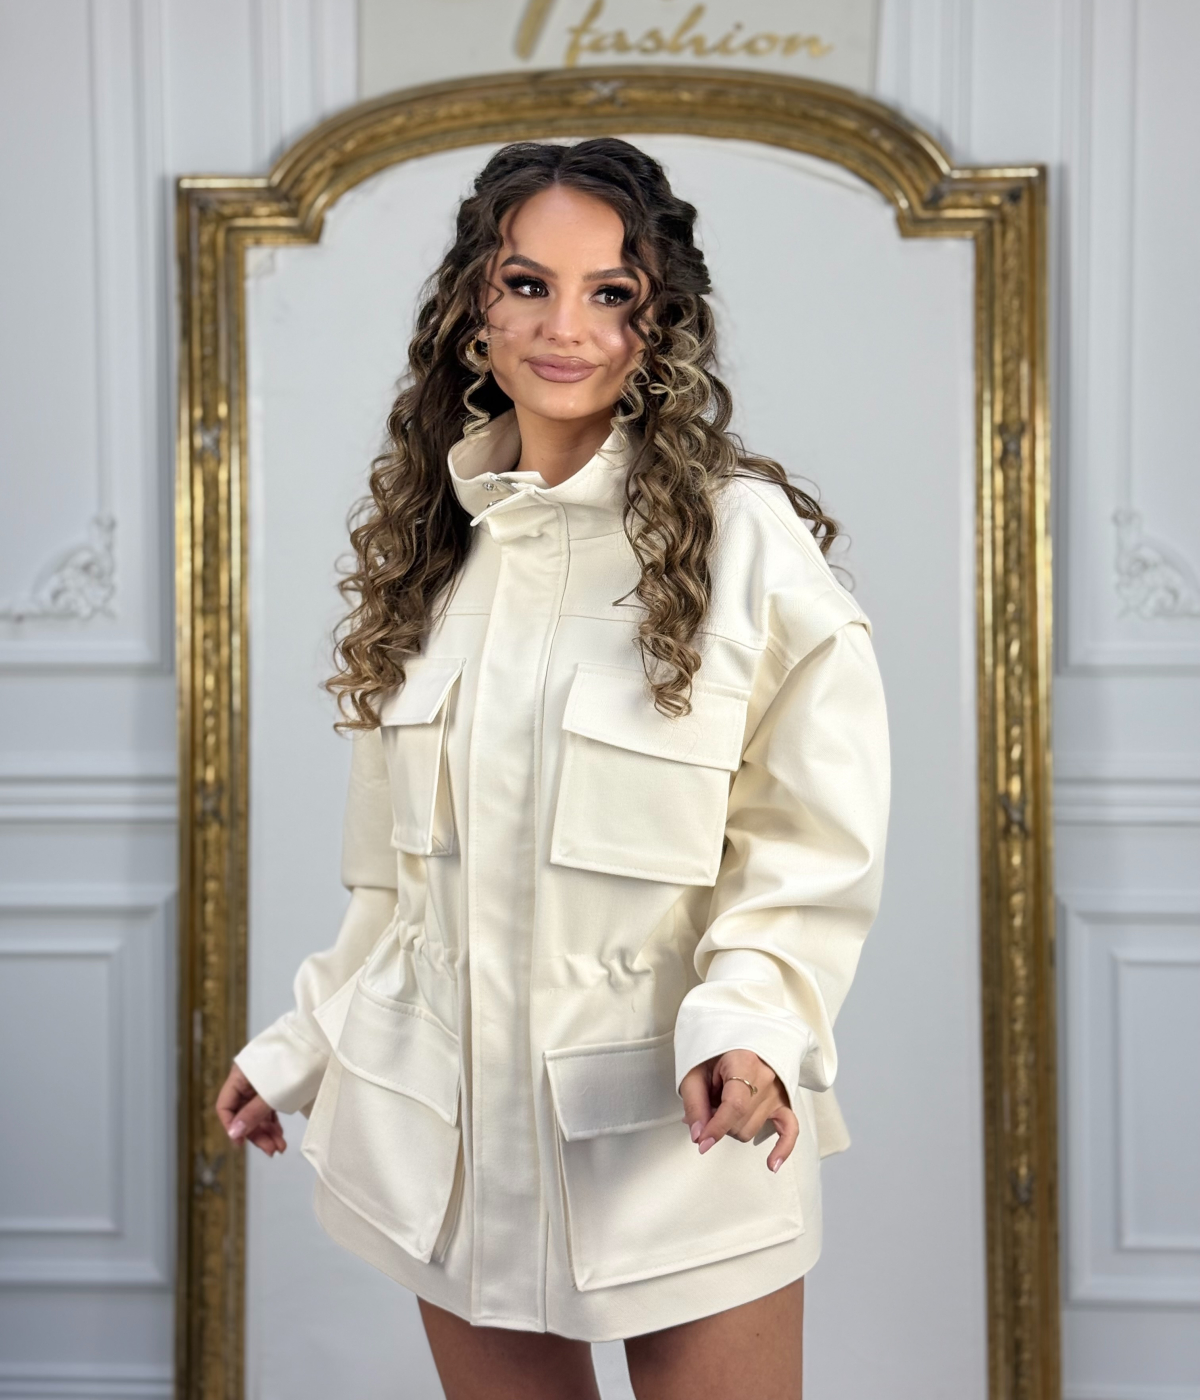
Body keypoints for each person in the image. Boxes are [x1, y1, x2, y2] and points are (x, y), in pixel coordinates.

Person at [216, 137, 890, 1400]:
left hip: (668, 1133)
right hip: (447, 1150)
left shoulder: (745, 543)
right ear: (475, 307)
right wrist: (299, 1045)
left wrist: (755, 1026)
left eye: (611, 292)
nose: (565, 327)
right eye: (528, 284)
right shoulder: (436, 557)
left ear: (661, 322)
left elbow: (807, 844)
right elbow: (393, 888)